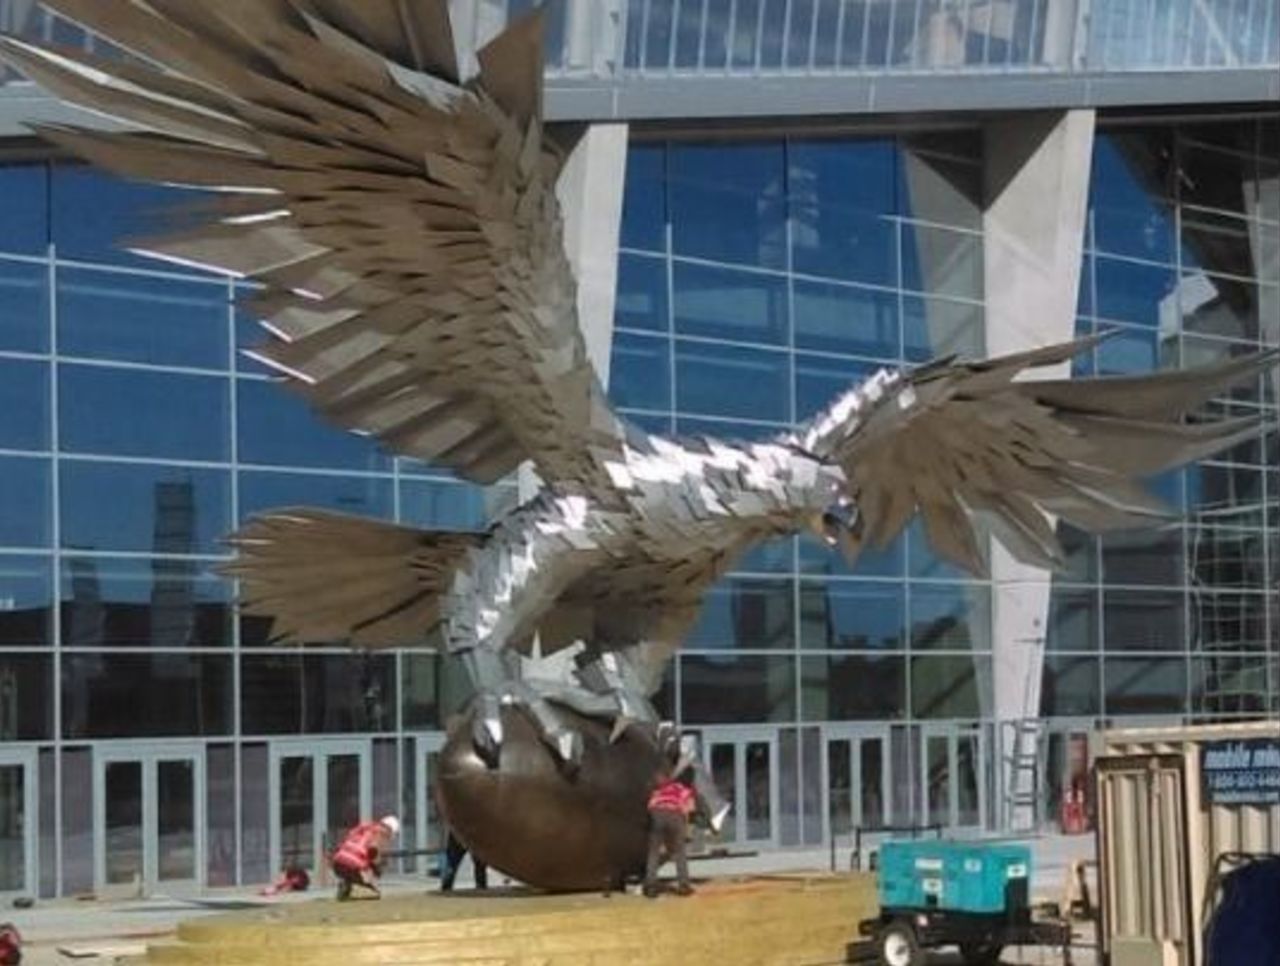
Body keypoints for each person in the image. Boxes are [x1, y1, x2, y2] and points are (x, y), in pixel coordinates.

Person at [643, 764, 697, 898]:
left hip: (657, 812)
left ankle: (650, 887)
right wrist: (687, 831)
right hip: (674, 814)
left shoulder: (661, 789)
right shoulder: (684, 790)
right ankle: (684, 886)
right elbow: (689, 809)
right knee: (679, 852)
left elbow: (650, 805)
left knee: (654, 852)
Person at [332, 814, 399, 901]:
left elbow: (345, 842)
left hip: (337, 863)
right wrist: (376, 865)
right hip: (353, 865)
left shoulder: (363, 827)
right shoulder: (381, 832)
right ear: (390, 829)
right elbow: (372, 850)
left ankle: (347, 883)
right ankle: (355, 889)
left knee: (354, 871)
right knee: (374, 893)